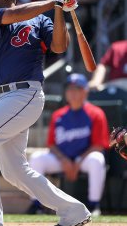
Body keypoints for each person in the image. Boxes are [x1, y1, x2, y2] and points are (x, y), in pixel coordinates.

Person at [0, 0, 91, 226]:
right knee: (13, 170)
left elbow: (59, 46)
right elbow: (15, 15)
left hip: (24, 94)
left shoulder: (40, 17)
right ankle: (73, 210)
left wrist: (59, 9)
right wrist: (55, 0)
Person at [28, 73, 109, 216]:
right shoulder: (58, 115)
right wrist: (63, 160)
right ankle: (36, 205)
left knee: (97, 159)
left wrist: (77, 161)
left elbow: (98, 145)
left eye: (77, 89)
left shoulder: (96, 113)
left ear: (85, 91)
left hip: (84, 159)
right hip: (62, 159)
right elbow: (52, 145)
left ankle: (94, 205)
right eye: (69, 89)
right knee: (36, 158)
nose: (72, 92)